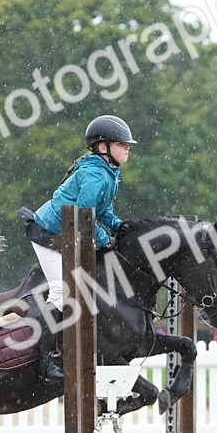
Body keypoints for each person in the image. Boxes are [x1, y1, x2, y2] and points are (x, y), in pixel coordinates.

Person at [22, 114, 134, 381]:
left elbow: (102, 210)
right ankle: (44, 361)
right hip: (49, 234)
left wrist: (118, 226)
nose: (127, 148)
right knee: (61, 290)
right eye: (122, 144)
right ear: (103, 147)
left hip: (66, 233)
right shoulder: (96, 174)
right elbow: (85, 214)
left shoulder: (108, 172)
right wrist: (106, 239)